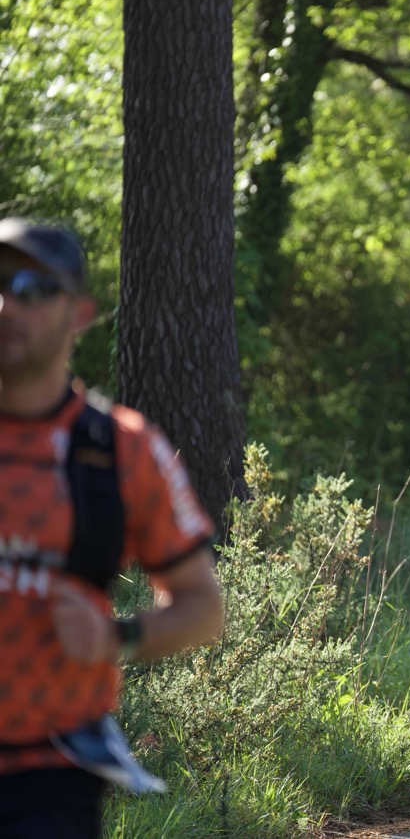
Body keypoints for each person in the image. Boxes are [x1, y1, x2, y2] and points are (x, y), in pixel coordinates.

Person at [0, 217, 224, 837]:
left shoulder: (120, 449)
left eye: (33, 288)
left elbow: (203, 608)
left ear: (80, 315)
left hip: (47, 779)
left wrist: (114, 637)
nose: (7, 305)